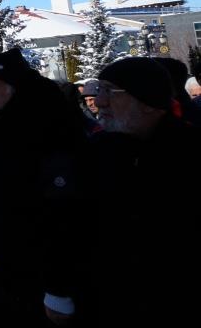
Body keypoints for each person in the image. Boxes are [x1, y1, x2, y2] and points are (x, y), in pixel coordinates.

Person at [80, 57, 201, 328]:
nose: (99, 101)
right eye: (99, 91)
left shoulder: (190, 154)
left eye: (109, 91)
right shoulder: (99, 153)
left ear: (147, 101)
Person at [0, 48, 85, 328]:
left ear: (15, 89)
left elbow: (64, 215)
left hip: (42, 277)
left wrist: (58, 288)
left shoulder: (51, 132)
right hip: (8, 268)